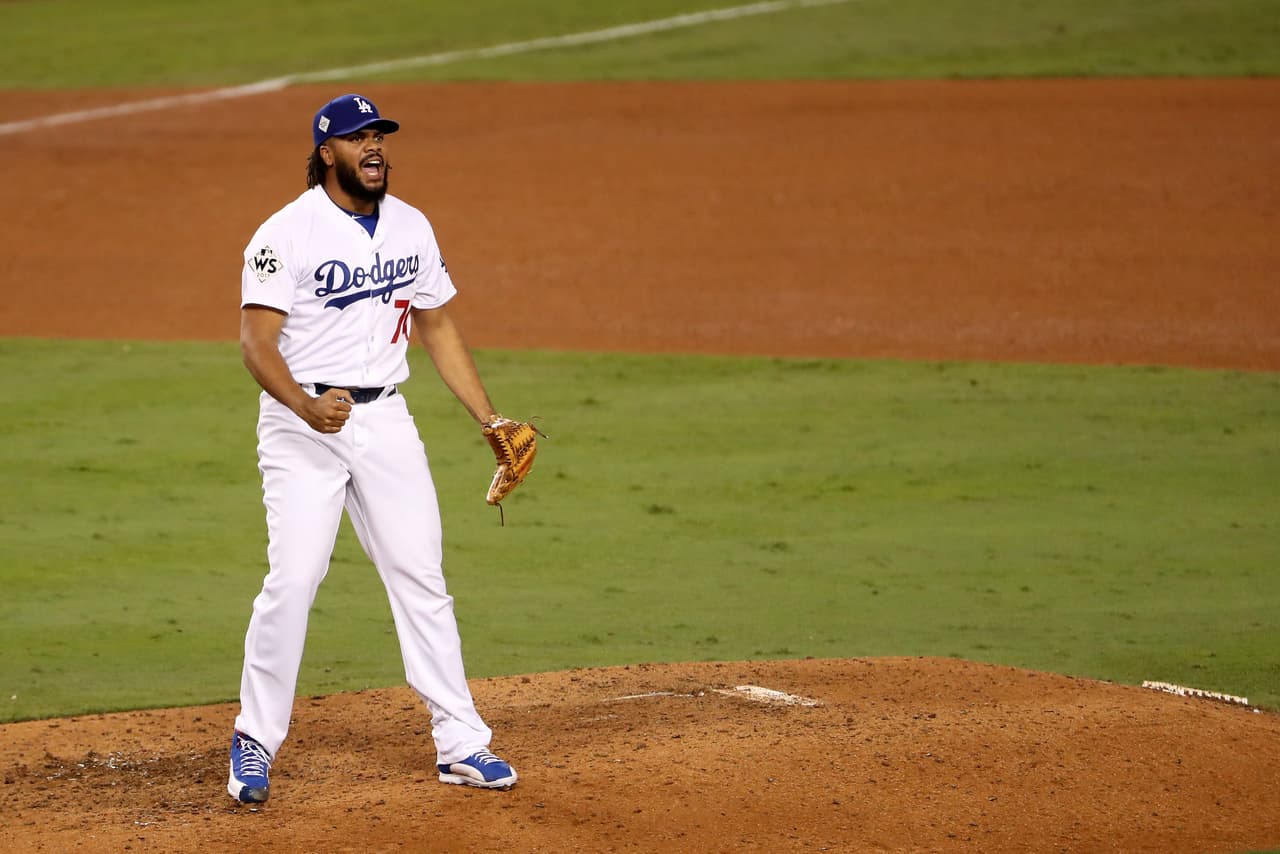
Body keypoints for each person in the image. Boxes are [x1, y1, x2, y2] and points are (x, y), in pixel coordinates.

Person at [228, 93, 517, 804]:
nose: (375, 147)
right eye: (358, 138)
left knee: (421, 575)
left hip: (386, 421)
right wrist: (302, 404)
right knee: (294, 579)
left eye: (380, 135)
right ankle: (254, 740)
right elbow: (255, 343)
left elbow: (438, 328)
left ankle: (461, 742)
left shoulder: (412, 226)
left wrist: (489, 419)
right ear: (327, 153)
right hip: (302, 426)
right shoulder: (283, 235)